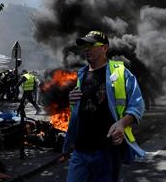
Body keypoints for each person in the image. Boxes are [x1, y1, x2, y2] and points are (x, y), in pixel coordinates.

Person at [61, 31, 145, 182]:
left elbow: (137, 105)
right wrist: (72, 100)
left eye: (92, 45)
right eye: (84, 46)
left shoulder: (120, 72)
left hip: (107, 152)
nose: (86, 49)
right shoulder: (81, 74)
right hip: (80, 150)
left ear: (105, 48)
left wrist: (122, 123)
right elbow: (83, 107)